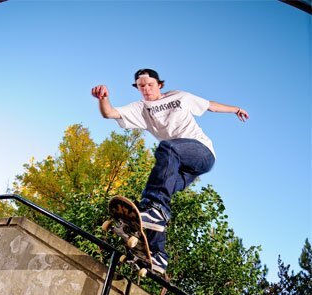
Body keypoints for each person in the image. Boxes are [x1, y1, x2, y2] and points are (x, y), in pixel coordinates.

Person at [91, 68, 249, 274]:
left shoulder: (180, 96)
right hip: (176, 166)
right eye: (141, 86)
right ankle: (157, 256)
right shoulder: (140, 108)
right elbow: (110, 113)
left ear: (159, 84)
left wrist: (236, 109)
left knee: (168, 148)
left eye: (150, 85)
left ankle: (156, 212)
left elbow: (210, 106)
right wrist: (102, 98)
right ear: (137, 88)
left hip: (200, 152)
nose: (146, 89)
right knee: (148, 201)